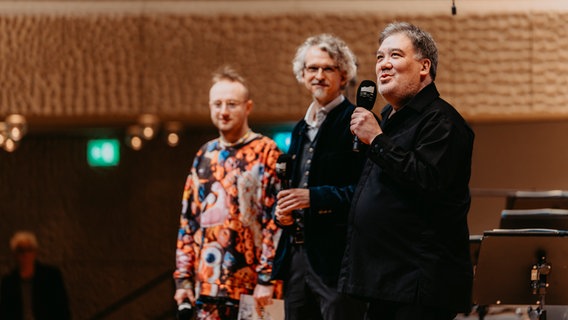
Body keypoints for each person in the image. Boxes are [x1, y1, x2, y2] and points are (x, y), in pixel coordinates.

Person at [339, 22, 475, 320]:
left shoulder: (442, 121)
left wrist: (376, 140)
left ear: (424, 66)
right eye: (379, 57)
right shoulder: (389, 121)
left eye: (396, 56)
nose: (383, 65)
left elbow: (428, 182)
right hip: (384, 282)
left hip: (419, 286)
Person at [173, 65, 282, 320]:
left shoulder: (267, 151)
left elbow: (275, 222)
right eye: (217, 104)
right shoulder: (204, 155)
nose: (223, 111)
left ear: (248, 107)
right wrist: (183, 280)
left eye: (231, 104)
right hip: (207, 287)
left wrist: (267, 277)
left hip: (257, 287)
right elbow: (188, 222)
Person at [271, 34, 368, 320]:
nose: (319, 75)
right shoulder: (301, 128)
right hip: (298, 256)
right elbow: (292, 188)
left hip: (337, 259)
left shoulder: (356, 121)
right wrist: (283, 215)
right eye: (312, 69)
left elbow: (364, 193)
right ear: (302, 76)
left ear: (344, 75)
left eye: (328, 68)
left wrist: (313, 197)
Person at [0, 231, 71, 320]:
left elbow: (62, 309)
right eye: (21, 250)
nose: (25, 254)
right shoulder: (8, 282)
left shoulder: (50, 277)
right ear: (15, 254)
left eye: (29, 249)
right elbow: (5, 313)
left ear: (35, 252)